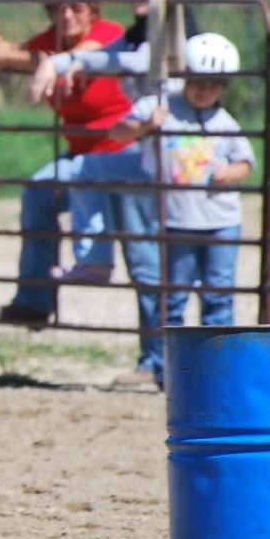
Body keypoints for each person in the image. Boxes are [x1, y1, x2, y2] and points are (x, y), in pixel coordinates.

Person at [26, 0, 197, 385]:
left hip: (166, 161)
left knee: (148, 263)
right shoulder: (144, 33)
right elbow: (111, 58)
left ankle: (159, 362)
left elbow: (134, 65)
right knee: (85, 174)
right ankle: (97, 266)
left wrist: (69, 62)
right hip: (143, 157)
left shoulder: (172, 36)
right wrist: (60, 63)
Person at [0, 0, 131, 324]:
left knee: (141, 250)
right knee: (38, 194)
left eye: (76, 8)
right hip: (82, 155)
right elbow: (25, 52)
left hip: (123, 152)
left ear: (93, 10)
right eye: (59, 9)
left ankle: (156, 352)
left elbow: (79, 55)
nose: (67, 16)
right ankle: (33, 302)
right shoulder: (53, 39)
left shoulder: (108, 35)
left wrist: (13, 58)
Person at [99, 32, 254, 329]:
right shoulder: (160, 107)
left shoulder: (225, 123)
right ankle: (167, 368)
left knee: (218, 298)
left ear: (223, 88)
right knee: (172, 299)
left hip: (220, 222)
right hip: (177, 222)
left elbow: (245, 162)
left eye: (213, 85)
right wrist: (145, 126)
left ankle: (214, 369)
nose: (204, 90)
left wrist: (229, 174)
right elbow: (117, 131)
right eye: (198, 81)